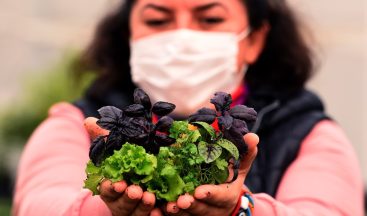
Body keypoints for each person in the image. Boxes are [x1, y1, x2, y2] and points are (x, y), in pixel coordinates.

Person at [13, 0, 364, 215]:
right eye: (157, 20)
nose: (181, 38)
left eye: (209, 20)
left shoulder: (305, 133)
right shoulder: (78, 124)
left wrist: (240, 210)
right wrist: (107, 208)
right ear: (129, 38)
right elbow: (39, 205)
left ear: (253, 40)